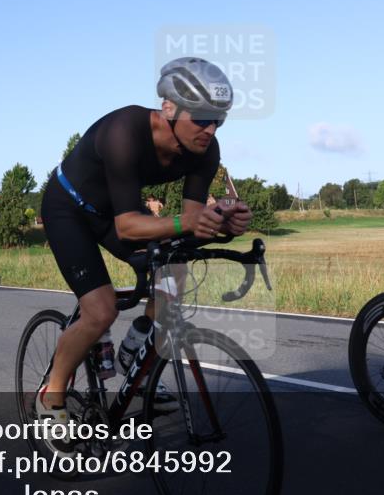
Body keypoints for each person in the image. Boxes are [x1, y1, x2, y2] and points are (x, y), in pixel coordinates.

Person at [38, 57, 253, 448]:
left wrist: (221, 223)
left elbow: (190, 222)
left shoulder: (207, 150)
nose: (210, 129)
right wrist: (190, 222)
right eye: (202, 118)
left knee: (175, 273)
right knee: (100, 311)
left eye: (218, 120)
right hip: (68, 208)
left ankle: (135, 349)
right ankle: (51, 398)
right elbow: (128, 226)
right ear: (169, 109)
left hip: (113, 215)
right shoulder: (125, 131)